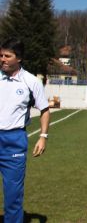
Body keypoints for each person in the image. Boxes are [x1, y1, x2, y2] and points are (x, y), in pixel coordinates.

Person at [0, 38, 50, 222]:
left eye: (7, 56)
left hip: (14, 141)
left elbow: (44, 110)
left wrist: (43, 136)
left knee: (13, 195)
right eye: (1, 55)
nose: (2, 59)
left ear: (18, 58)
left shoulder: (31, 81)